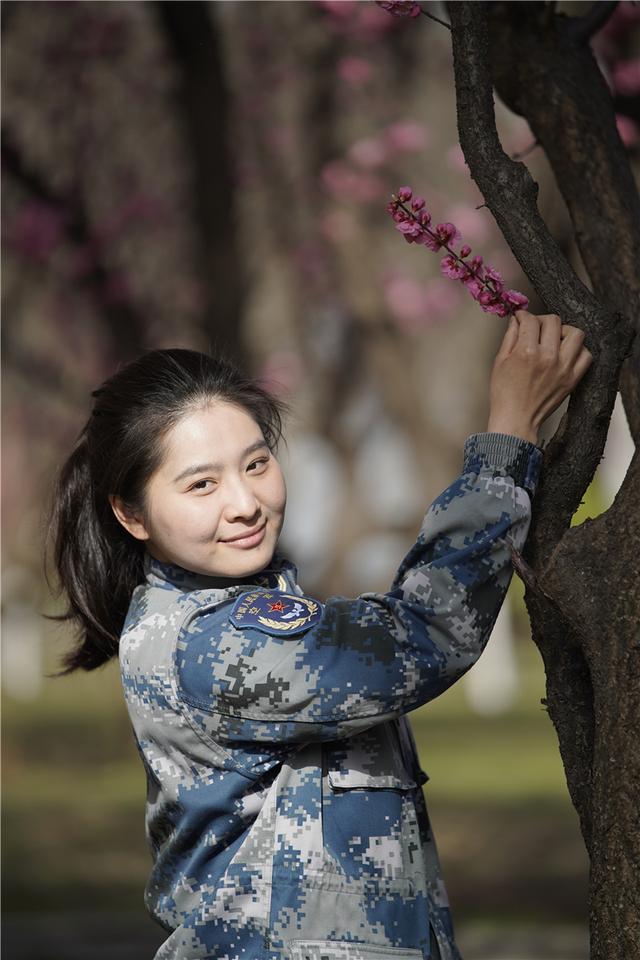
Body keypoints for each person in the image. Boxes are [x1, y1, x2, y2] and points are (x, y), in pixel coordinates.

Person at [48, 310, 592, 960]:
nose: (244, 503)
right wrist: (509, 434)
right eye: (202, 484)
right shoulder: (210, 643)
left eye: (255, 464)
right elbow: (421, 634)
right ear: (131, 514)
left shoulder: (235, 611)